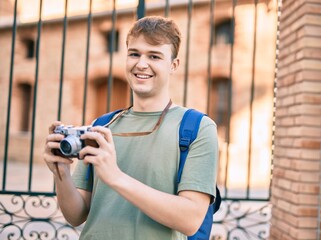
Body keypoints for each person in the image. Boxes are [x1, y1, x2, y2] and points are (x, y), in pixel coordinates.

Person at [44, 16, 218, 240]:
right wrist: (62, 173)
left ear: (173, 65)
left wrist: (115, 176)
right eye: (134, 54)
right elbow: (76, 215)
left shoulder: (197, 128)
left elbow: (190, 220)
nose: (141, 64)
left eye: (154, 56)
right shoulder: (102, 125)